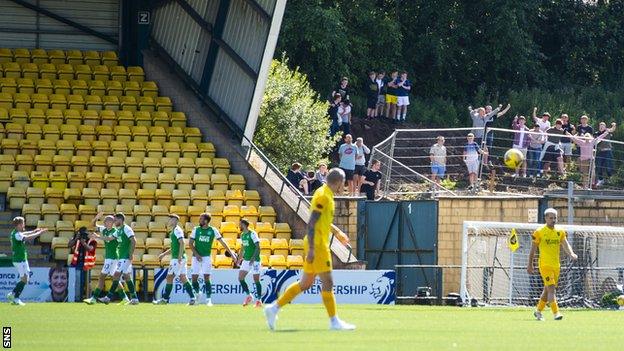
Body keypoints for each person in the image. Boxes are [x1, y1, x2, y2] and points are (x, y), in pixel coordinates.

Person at [264, 168, 355, 331]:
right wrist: (312, 248)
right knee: (328, 282)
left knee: (305, 283)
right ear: (339, 182)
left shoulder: (326, 193)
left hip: (318, 243)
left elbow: (323, 220)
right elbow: (312, 222)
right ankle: (334, 321)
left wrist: (337, 233)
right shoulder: (323, 196)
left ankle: (273, 308)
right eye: (344, 183)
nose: (344, 186)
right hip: (318, 244)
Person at [527, 208, 578, 321]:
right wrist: (530, 264)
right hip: (545, 265)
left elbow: (565, 244)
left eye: (555, 218)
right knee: (551, 289)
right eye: (551, 218)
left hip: (556, 265)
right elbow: (533, 250)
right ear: (545, 218)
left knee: (547, 290)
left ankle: (538, 311)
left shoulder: (560, 231)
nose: (553, 220)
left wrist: (571, 254)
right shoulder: (539, 232)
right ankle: (556, 313)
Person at [189, 212, 236, 306]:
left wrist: (232, 254)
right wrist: (197, 254)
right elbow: (190, 244)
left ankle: (208, 300)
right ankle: (198, 294)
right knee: (194, 279)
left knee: (207, 277)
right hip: (196, 257)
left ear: (206, 221)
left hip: (206, 257)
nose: (199, 220)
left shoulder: (213, 230)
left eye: (201, 219)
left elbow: (222, 243)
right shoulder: (196, 230)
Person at [84, 213, 126, 305]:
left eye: (108, 221)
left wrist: (97, 236)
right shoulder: (104, 229)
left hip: (113, 258)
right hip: (110, 257)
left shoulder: (115, 231)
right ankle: (125, 298)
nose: (105, 222)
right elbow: (93, 225)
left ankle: (94, 298)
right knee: (114, 278)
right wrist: (96, 218)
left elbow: (108, 239)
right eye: (105, 221)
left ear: (112, 222)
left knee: (102, 276)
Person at [154, 214, 196, 305]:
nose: (170, 221)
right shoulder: (173, 231)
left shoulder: (177, 230)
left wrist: (179, 256)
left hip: (177, 259)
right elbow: (174, 247)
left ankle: (164, 300)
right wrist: (164, 254)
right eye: (169, 219)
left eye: (171, 219)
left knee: (169, 277)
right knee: (183, 277)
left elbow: (182, 243)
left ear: (176, 221)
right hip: (179, 258)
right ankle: (193, 298)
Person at [98, 213, 139, 305]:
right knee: (127, 277)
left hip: (125, 256)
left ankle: (108, 297)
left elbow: (133, 240)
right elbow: (109, 238)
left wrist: (131, 254)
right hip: (121, 256)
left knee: (116, 275)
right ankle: (135, 299)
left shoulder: (126, 228)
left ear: (120, 220)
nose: (114, 222)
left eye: (115, 220)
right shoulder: (119, 230)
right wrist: (98, 237)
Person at [7, 217, 47, 306]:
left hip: (22, 259)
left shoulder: (17, 233)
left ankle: (12, 294)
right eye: (23, 223)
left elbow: (25, 233)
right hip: (19, 260)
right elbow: (27, 238)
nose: (24, 225)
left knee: (26, 279)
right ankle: (16, 298)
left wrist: (34, 231)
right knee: (24, 279)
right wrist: (39, 233)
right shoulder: (16, 235)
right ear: (19, 225)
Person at [236, 219, 262, 308]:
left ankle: (259, 300)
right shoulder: (242, 235)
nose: (239, 226)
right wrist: (239, 259)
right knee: (240, 278)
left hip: (255, 260)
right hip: (246, 260)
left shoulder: (252, 234)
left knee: (256, 280)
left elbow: (258, 247)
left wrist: (253, 258)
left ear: (244, 225)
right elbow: (242, 248)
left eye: (240, 224)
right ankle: (249, 295)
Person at [594, 122, 617, 187]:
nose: (601, 127)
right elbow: (595, 141)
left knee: (608, 165)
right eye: (600, 126)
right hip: (600, 152)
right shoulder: (597, 133)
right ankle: (600, 180)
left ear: (605, 127)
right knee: (599, 166)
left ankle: (609, 178)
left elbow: (612, 129)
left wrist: (614, 125)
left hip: (608, 151)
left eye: (603, 126)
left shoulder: (607, 131)